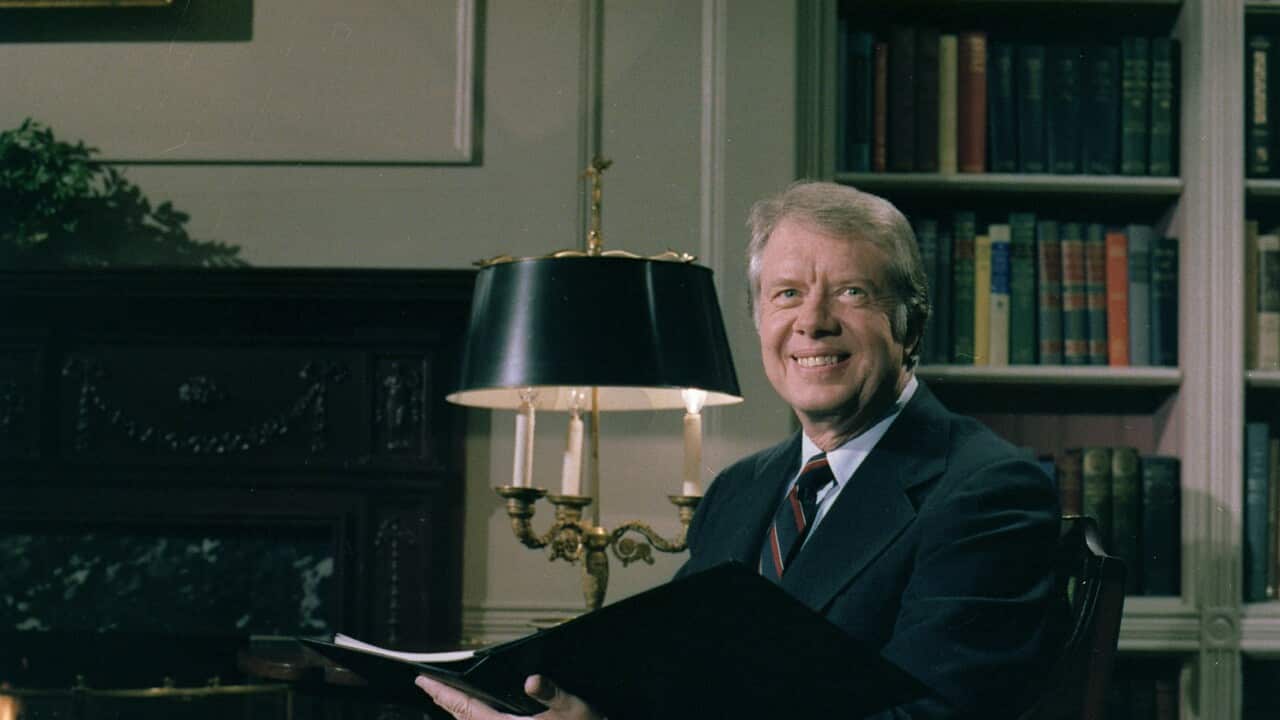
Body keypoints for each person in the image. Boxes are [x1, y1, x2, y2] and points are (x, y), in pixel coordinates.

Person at [417, 181, 1063, 719]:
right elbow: (663, 675)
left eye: (851, 292)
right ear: (759, 322)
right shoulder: (744, 487)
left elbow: (933, 718)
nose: (812, 322)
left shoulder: (984, 491)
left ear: (910, 324)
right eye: (787, 294)